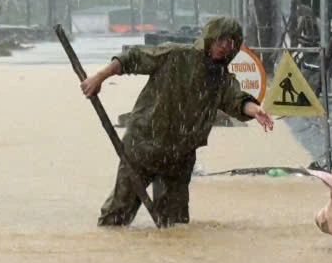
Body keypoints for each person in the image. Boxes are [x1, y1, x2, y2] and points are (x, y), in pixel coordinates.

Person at [80, 16, 275, 227]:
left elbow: (237, 101)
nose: (225, 47)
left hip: (180, 157)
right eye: (221, 40)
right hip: (143, 146)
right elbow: (132, 58)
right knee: (117, 215)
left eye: (231, 43)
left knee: (175, 226)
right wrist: (99, 77)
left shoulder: (221, 79)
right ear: (210, 38)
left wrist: (256, 110)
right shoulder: (176, 55)